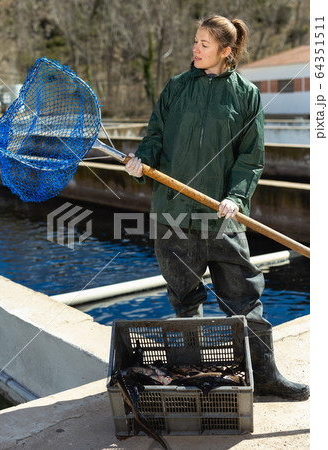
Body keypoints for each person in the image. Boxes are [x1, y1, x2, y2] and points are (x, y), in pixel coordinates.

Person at [125, 14, 309, 401]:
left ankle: (267, 376)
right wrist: (141, 161)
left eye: (203, 44)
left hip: (222, 218)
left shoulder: (247, 95)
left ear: (226, 52)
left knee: (245, 298)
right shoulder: (176, 87)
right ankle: (190, 379)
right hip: (174, 216)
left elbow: (250, 158)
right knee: (184, 301)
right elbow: (154, 135)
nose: (194, 49)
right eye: (195, 41)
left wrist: (237, 197)